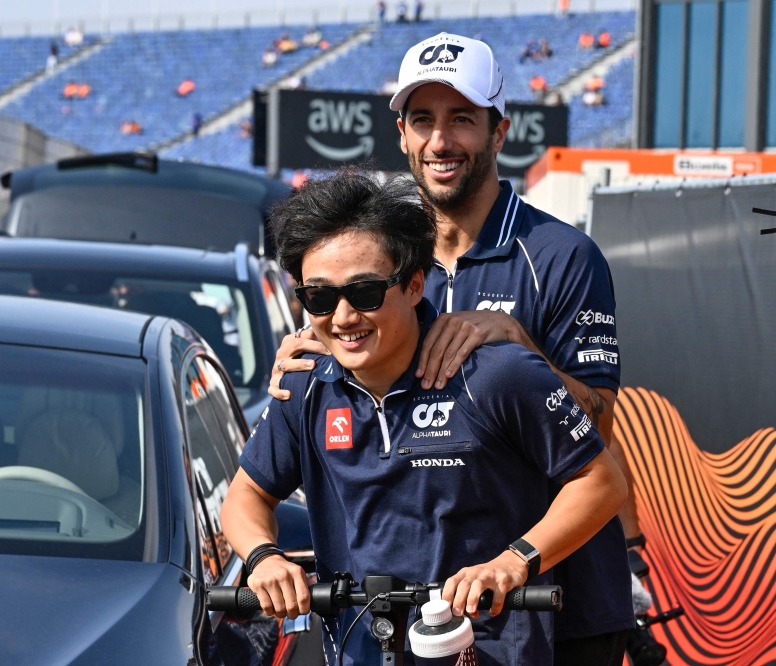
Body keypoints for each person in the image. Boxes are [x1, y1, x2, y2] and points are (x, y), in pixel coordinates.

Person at [270, 32, 643, 666]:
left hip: (561, 602)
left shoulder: (561, 256)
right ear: (403, 135)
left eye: (462, 120)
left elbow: (599, 422)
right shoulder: (375, 259)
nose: (441, 141)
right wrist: (320, 339)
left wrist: (522, 344)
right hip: (428, 609)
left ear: (499, 131)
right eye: (424, 120)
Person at [221, 171, 629, 666]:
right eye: (320, 298)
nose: (344, 317)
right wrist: (263, 557)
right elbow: (245, 494)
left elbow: (602, 480)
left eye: (366, 292)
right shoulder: (304, 386)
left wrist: (512, 562)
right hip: (360, 650)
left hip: (493, 652)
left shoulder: (498, 373)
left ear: (415, 284)